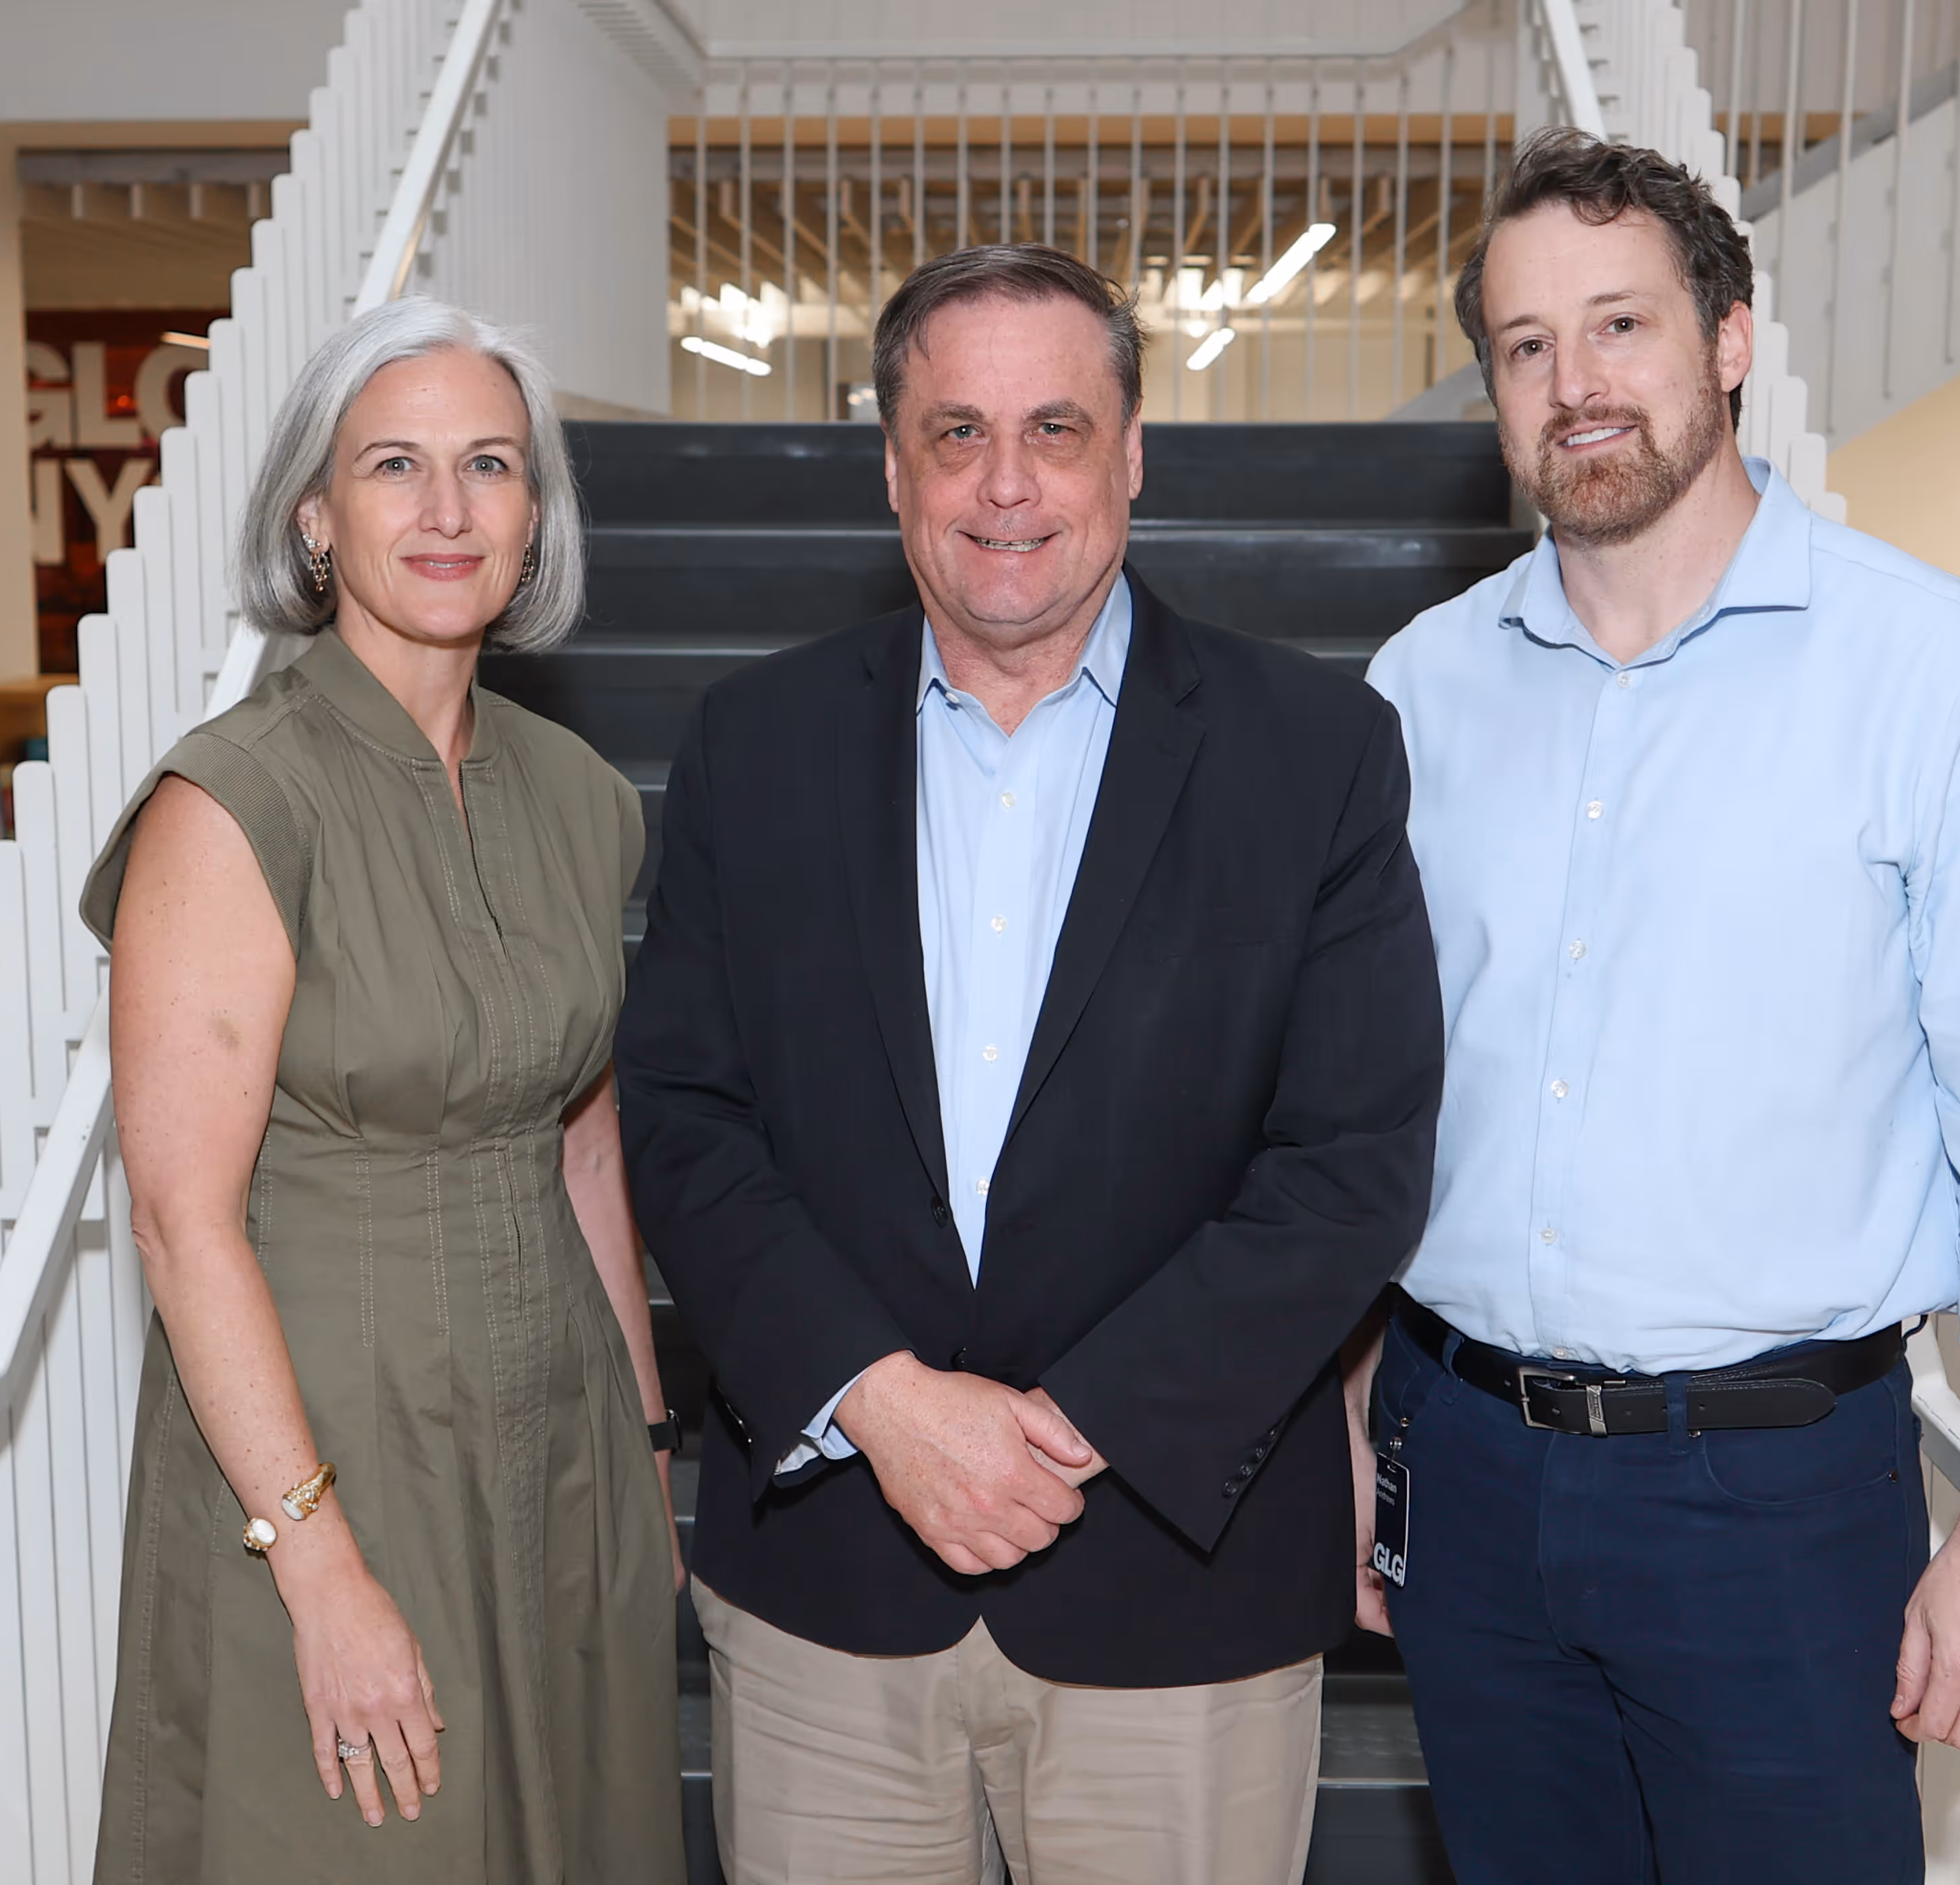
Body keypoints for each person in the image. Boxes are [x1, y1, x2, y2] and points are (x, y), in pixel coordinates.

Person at [617, 242, 1444, 1885]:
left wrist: (1069, 1429)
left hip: (1180, 1588)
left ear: (1131, 454)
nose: (1007, 485)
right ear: (892, 463)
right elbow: (688, 1118)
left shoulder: (1315, 750)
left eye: (1057, 429)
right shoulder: (751, 746)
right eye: (956, 432)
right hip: (832, 1595)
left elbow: (1351, 1161)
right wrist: (889, 1403)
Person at [1357, 129, 1960, 1882]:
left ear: (1728, 339)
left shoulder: (1939, 680)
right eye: (1529, 345)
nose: (1579, 386)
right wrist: (1358, 1436)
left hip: (1774, 1505)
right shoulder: (1421, 692)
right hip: (1466, 1468)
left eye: (1621, 325)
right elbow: (1373, 1103)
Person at [81, 297, 684, 1884]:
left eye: (490, 466)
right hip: (333, 1446)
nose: (446, 509)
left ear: (533, 516)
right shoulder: (234, 801)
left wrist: (641, 1437)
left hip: (560, 1436)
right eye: (394, 465)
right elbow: (178, 1216)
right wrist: (318, 1562)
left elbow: (587, 1141)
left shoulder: (581, 797)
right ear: (316, 515)